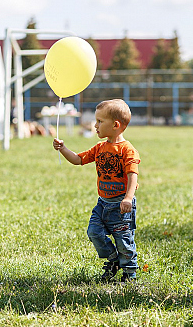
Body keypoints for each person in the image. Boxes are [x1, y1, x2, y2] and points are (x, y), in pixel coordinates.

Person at [53, 99, 140, 282]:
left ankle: (129, 273)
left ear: (115, 125)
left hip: (121, 205)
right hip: (102, 203)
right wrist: (63, 149)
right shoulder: (100, 148)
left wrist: (128, 198)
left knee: (124, 240)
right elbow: (78, 159)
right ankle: (113, 259)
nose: (95, 125)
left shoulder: (127, 150)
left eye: (100, 121)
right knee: (94, 232)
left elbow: (133, 175)